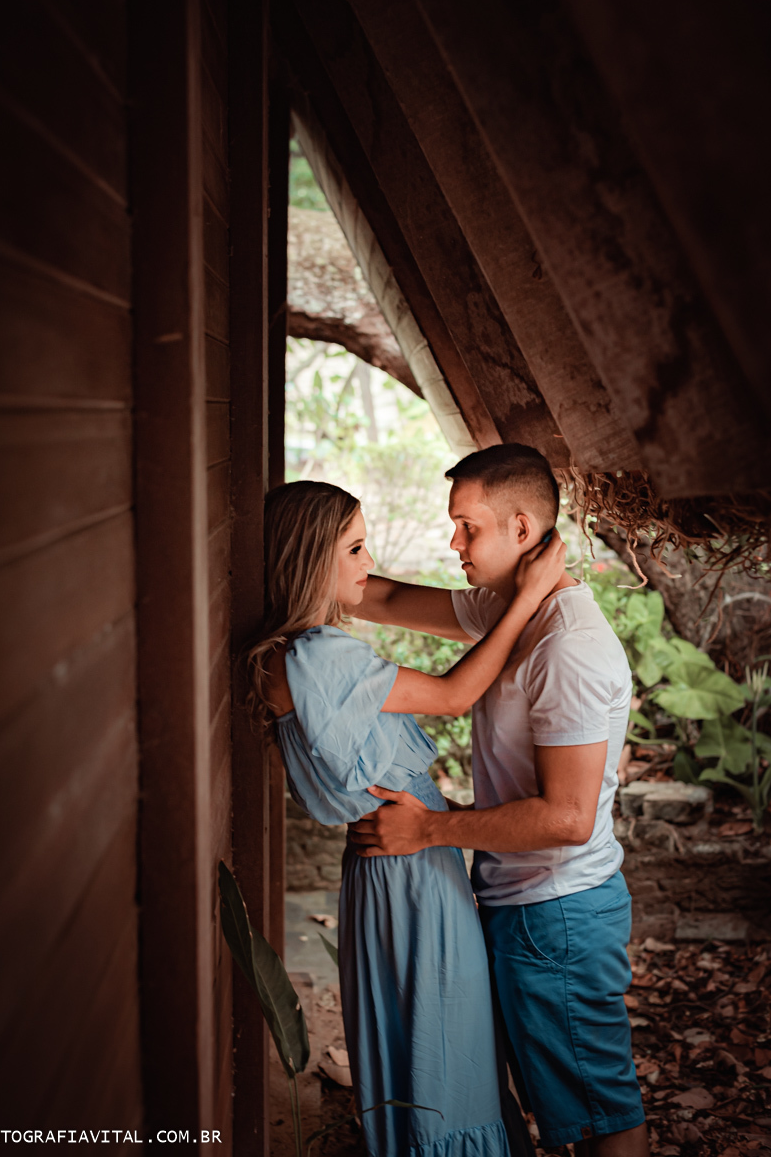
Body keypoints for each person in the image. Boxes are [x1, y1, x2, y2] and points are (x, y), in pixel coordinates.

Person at [246, 478, 566, 1157]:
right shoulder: (320, 658)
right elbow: (453, 695)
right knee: (447, 1048)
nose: (371, 565)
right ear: (308, 561)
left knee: (420, 1041)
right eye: (357, 549)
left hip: (386, 863)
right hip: (411, 867)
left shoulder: (288, 658)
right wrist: (531, 597)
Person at [349, 444, 649, 1157]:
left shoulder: (567, 647)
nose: (452, 542)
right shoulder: (505, 608)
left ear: (521, 530)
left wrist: (429, 831)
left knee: (601, 1115)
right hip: (525, 906)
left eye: (467, 527)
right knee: (566, 1109)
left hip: (559, 915)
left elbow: (566, 819)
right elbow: (385, 599)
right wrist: (301, 556)